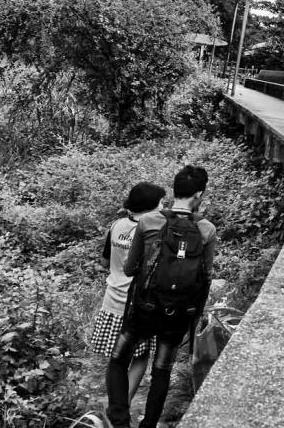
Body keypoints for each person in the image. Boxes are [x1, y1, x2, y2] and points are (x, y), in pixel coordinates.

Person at [105, 165, 217, 427]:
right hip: (178, 313)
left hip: (144, 307)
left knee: (119, 358)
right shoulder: (207, 229)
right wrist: (195, 313)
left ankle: (119, 419)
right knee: (162, 369)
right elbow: (207, 277)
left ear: (174, 190)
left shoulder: (148, 221)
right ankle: (149, 425)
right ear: (199, 194)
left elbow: (130, 268)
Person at [90, 183, 166, 406]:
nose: (163, 207)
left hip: (112, 301)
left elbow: (104, 262)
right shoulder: (153, 230)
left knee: (117, 359)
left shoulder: (116, 225)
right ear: (150, 207)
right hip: (138, 305)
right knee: (140, 358)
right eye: (161, 203)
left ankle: (114, 405)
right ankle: (121, 408)